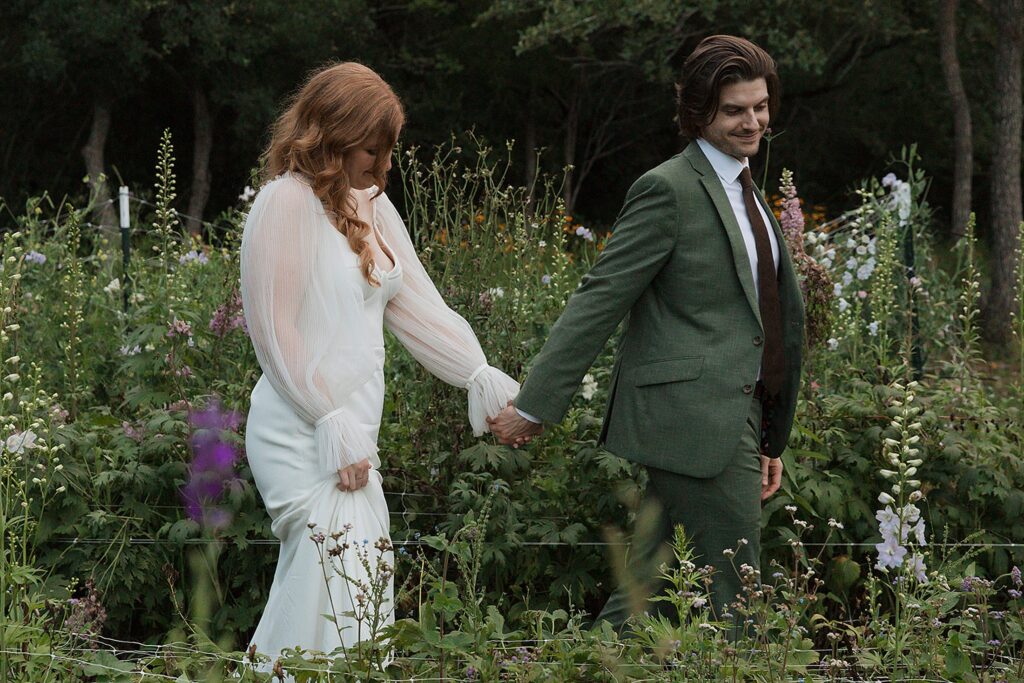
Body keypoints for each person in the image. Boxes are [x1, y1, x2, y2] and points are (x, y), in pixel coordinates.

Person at [488, 35, 805, 627]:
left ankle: (583, 667)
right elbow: (599, 299)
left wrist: (767, 433)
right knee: (734, 596)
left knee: (647, 593)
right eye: (735, 110)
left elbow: (763, 319)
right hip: (691, 415)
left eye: (760, 106)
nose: (753, 121)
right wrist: (536, 404)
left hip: (735, 417)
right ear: (697, 112)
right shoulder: (668, 189)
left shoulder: (748, 191)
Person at [240, 62, 519, 665]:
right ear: (332, 135)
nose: (384, 165)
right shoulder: (283, 204)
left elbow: (420, 309)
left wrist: (480, 376)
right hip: (300, 427)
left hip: (354, 428)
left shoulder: (373, 207)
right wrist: (327, 418)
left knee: (362, 578)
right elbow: (274, 332)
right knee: (328, 578)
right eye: (372, 149)